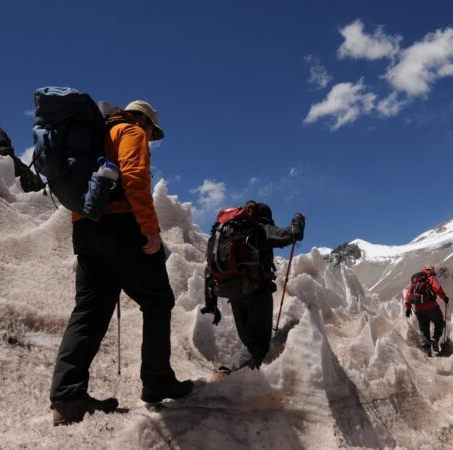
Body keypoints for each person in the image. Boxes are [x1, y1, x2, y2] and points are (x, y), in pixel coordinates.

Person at [49, 100, 192, 426]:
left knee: (88, 311)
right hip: (122, 226)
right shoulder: (129, 130)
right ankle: (157, 381)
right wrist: (149, 228)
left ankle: (66, 397)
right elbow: (134, 176)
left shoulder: (93, 137)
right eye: (151, 130)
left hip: (85, 228)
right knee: (157, 300)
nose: (150, 136)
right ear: (143, 119)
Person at [203, 201, 305, 378]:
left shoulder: (230, 234)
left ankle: (244, 376)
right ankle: (229, 374)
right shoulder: (261, 228)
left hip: (234, 294)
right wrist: (299, 219)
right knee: (257, 345)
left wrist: (211, 304)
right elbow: (294, 234)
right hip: (256, 293)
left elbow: (209, 271)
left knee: (249, 341)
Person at [404, 265, 449, 356]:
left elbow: (408, 294)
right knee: (440, 323)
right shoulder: (430, 278)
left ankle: (427, 352)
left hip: (418, 309)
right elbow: (437, 288)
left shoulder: (415, 280)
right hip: (432, 307)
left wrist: (408, 307)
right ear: (431, 269)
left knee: (424, 330)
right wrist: (444, 297)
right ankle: (435, 338)